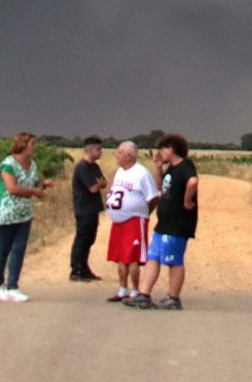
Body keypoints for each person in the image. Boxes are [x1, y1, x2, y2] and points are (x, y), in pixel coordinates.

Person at [125, 133, 197, 310]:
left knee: (173, 260)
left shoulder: (185, 165)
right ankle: (144, 294)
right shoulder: (171, 169)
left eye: (163, 148)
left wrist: (187, 201)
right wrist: (158, 168)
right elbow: (160, 187)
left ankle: (174, 297)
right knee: (153, 257)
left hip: (178, 223)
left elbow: (193, 182)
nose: (160, 152)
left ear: (172, 149)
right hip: (164, 223)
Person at [0, 132, 49, 302]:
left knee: (19, 248)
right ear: (23, 145)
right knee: (3, 248)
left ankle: (13, 286)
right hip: (6, 213)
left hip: (24, 213)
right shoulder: (8, 164)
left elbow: (31, 186)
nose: (34, 147)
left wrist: (41, 187)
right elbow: (12, 188)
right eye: (32, 144)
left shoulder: (33, 165)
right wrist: (34, 192)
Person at [102, 140, 160, 301]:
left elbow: (153, 197)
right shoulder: (120, 172)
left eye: (120, 152)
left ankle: (135, 290)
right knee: (121, 256)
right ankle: (122, 289)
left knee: (132, 256)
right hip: (118, 221)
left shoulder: (141, 173)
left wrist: (145, 212)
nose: (116, 155)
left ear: (129, 156)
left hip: (135, 220)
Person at [69, 136, 108, 281]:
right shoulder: (83, 167)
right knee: (82, 239)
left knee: (89, 239)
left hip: (92, 208)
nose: (101, 152)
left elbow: (103, 182)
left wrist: (99, 184)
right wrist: (99, 184)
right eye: (98, 149)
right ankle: (76, 269)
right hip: (84, 208)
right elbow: (93, 187)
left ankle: (84, 268)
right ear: (90, 149)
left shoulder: (94, 166)